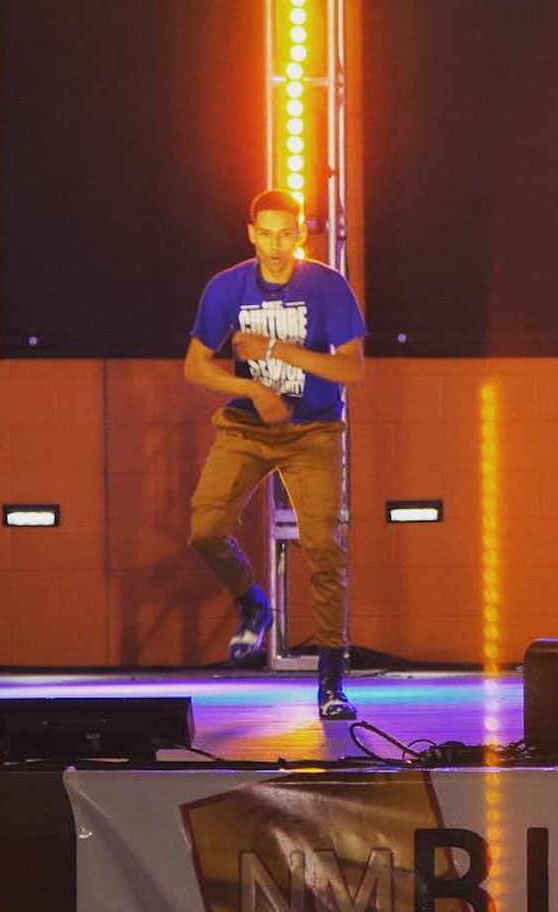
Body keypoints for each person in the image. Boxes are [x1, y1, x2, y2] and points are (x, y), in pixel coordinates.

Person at [184, 190, 367, 719]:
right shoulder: (227, 287)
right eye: (265, 234)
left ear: (300, 234)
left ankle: (331, 681)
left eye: (285, 234)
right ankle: (253, 603)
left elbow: (351, 368)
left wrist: (274, 349)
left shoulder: (326, 286)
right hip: (247, 426)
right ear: (251, 234)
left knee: (323, 546)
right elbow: (196, 366)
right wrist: (253, 389)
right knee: (205, 529)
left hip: (313, 429)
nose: (275, 246)